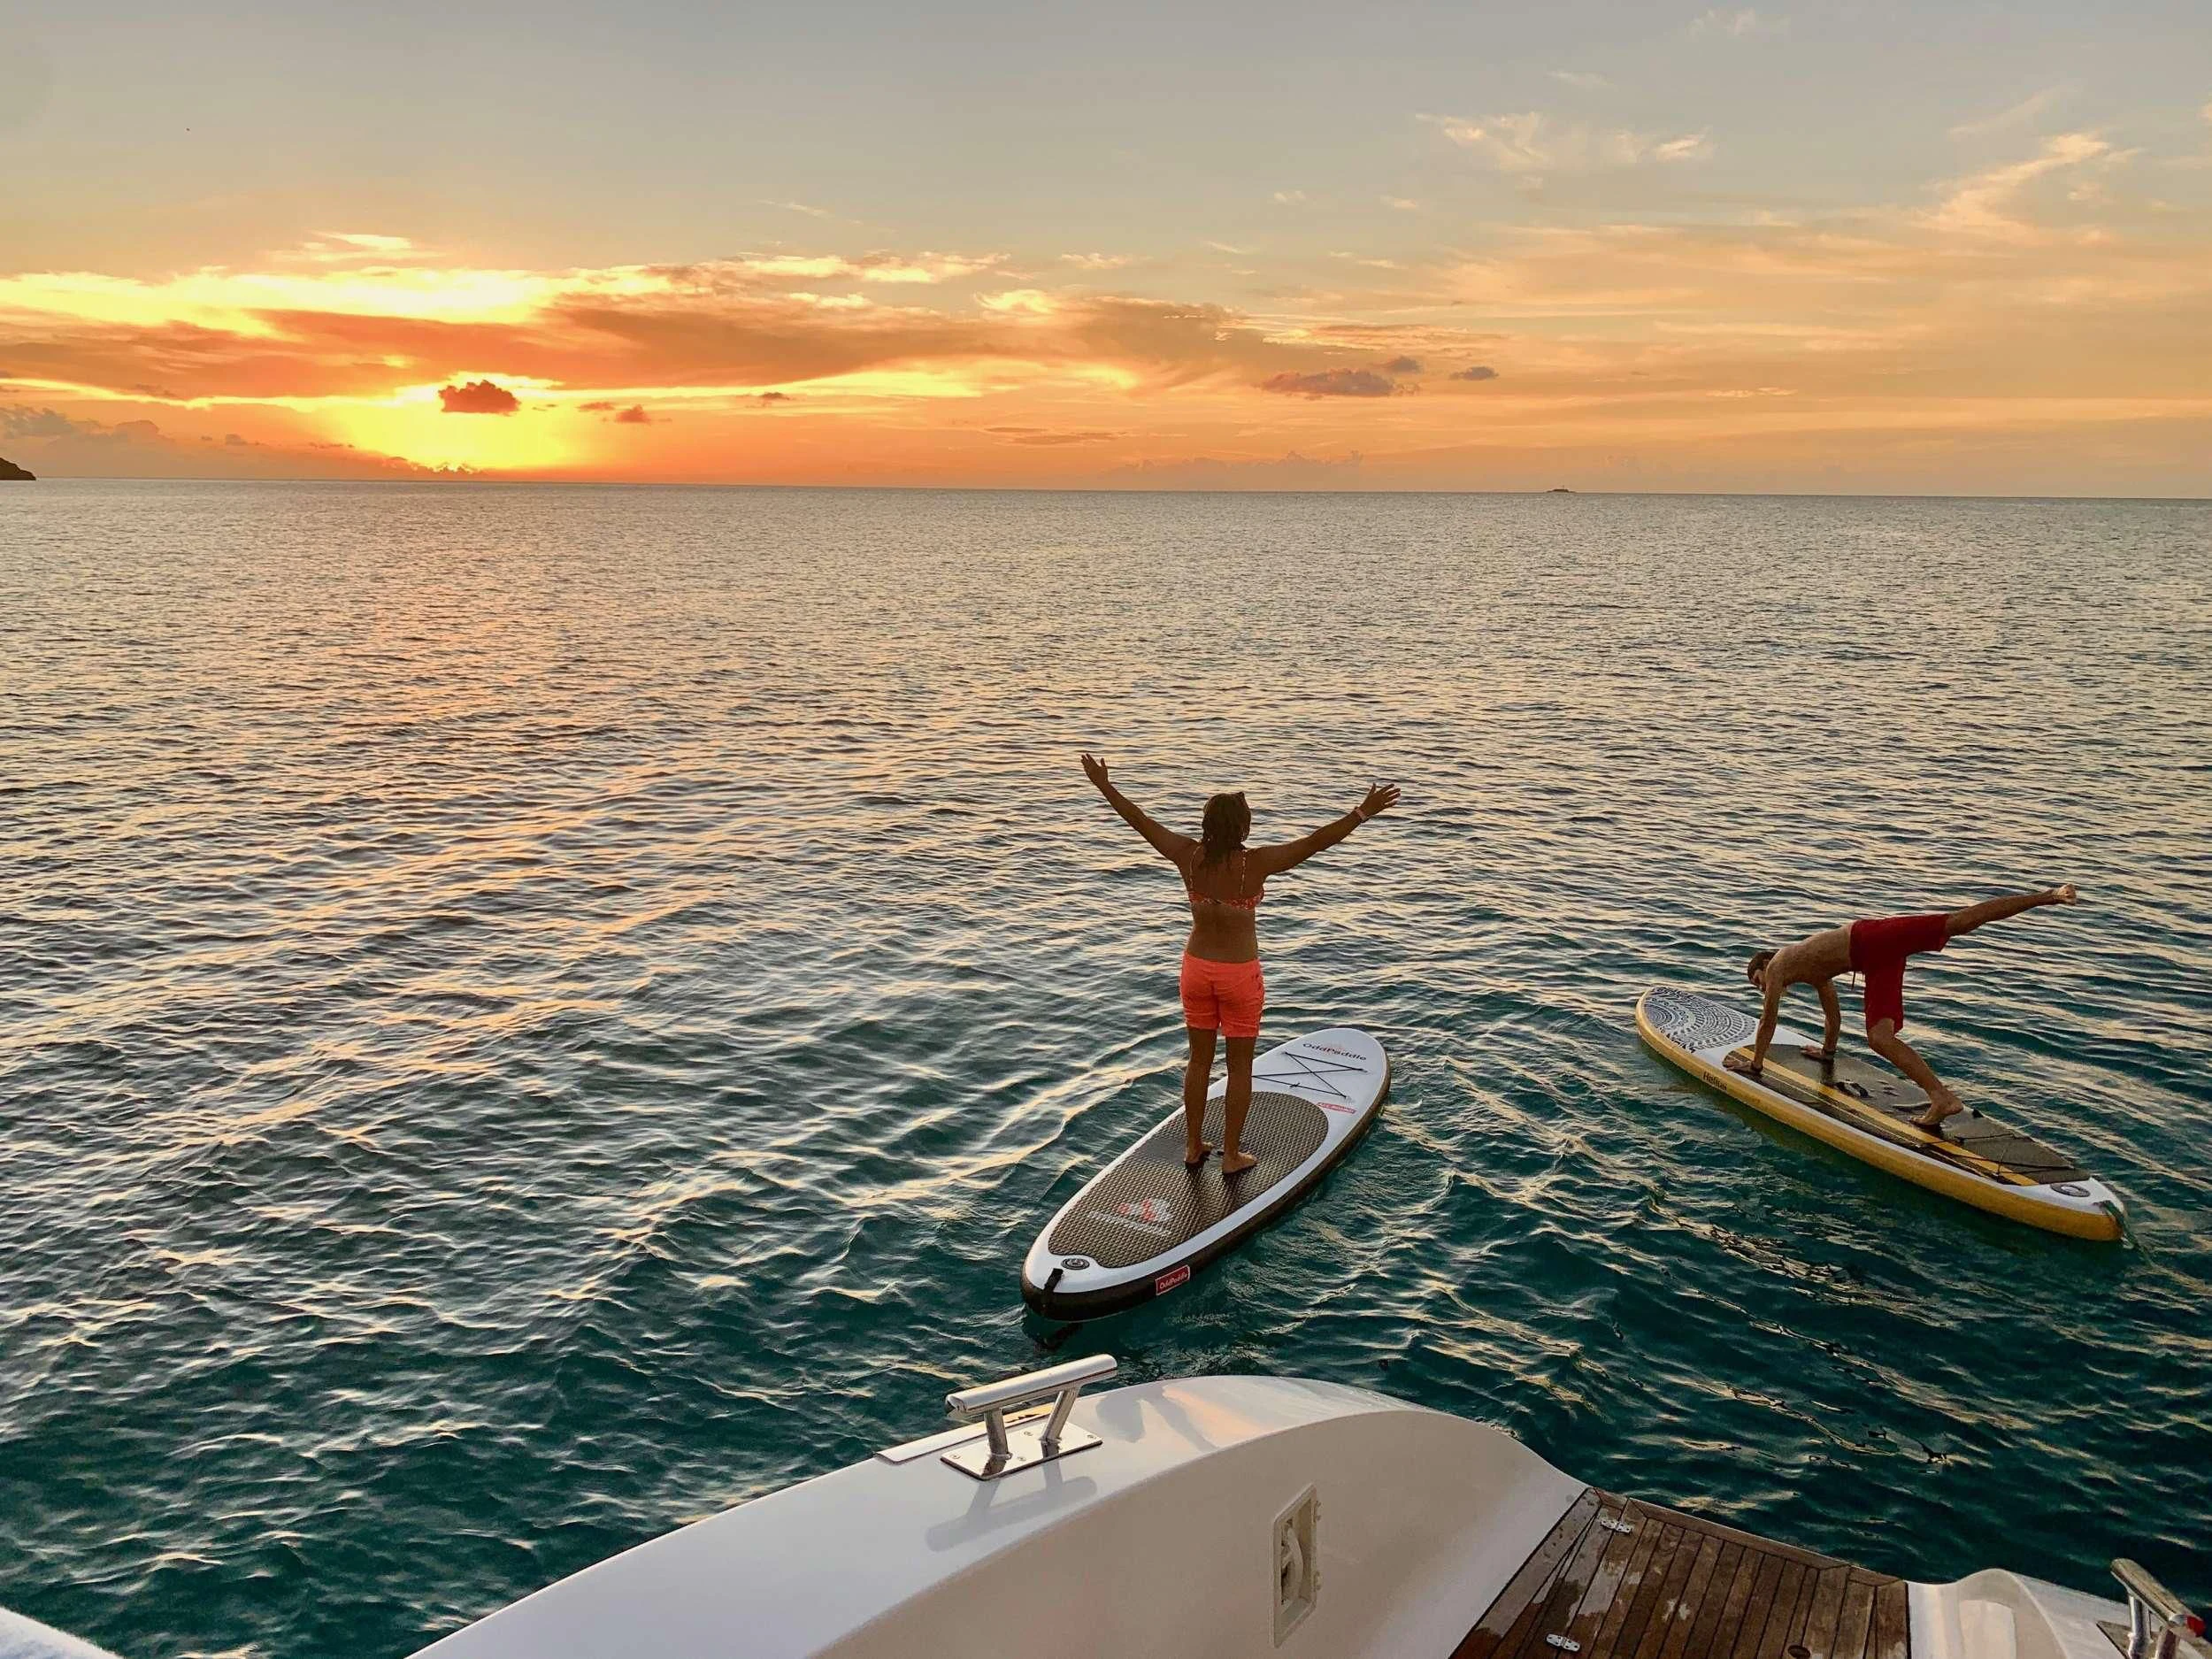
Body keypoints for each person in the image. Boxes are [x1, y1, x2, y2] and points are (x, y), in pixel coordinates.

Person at [1079, 754, 1399, 1175]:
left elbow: (1140, 821)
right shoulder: (1255, 864)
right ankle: (1231, 1155)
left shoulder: (1187, 857)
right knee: (1239, 1066)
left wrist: (1104, 785)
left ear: (1206, 825)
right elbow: (1316, 842)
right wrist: (1361, 812)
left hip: (1195, 968)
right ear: (1243, 828)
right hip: (1238, 975)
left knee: (1198, 1061)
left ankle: (1193, 1145)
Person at [1726, 885, 2080, 1129]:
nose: (1764, 989)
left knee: (1958, 923)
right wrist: (1827, 1052)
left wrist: (1755, 1065)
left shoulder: (1778, 965)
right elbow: (1832, 1016)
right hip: (1875, 962)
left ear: (1764, 965)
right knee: (1880, 1038)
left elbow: (1767, 1021)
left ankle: (2048, 896)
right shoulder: (1814, 971)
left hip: (1871, 938)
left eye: (1757, 982)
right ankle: (1942, 1098)